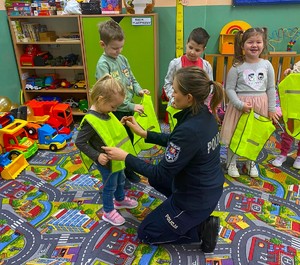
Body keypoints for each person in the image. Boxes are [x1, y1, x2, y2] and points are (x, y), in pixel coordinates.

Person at [102, 66, 225, 253]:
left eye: (175, 91)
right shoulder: (202, 115)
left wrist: (125, 157)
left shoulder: (189, 128)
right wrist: (145, 134)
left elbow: (161, 172)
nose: (171, 94)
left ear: (189, 98)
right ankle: (183, 214)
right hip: (204, 187)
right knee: (154, 179)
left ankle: (202, 227)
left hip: (195, 199)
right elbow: (176, 142)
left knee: (146, 233)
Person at [75, 74, 138, 226]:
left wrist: (120, 125)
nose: (114, 110)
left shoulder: (105, 112)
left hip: (116, 159)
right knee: (110, 186)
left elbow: (107, 133)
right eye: (113, 106)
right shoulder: (90, 120)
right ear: (101, 99)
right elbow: (79, 142)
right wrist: (97, 156)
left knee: (121, 180)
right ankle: (108, 211)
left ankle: (120, 200)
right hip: (105, 162)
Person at [95, 19, 150, 186]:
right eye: (114, 48)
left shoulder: (122, 59)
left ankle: (128, 167)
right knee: (118, 143)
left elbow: (131, 79)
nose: (118, 51)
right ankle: (121, 173)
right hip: (114, 111)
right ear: (102, 44)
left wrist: (139, 90)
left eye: (121, 47)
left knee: (130, 139)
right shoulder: (103, 65)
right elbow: (110, 95)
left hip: (127, 108)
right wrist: (131, 106)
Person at [220, 27, 280, 178]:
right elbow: (229, 89)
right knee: (236, 134)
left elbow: (271, 88)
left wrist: (272, 109)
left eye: (258, 42)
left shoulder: (267, 65)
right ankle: (231, 162)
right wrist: (240, 104)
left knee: (254, 136)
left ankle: (250, 161)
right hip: (240, 107)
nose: (254, 45)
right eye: (250, 42)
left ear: (263, 44)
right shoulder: (237, 66)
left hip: (261, 107)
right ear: (242, 46)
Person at [163, 27, 213, 106]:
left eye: (197, 50)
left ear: (203, 49)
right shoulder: (175, 64)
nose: (192, 52)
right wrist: (173, 99)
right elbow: (168, 84)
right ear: (186, 43)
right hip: (177, 106)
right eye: (190, 47)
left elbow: (209, 87)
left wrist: (203, 103)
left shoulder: (206, 67)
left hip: (197, 108)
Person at [272, 63, 300, 169]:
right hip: (292, 111)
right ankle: (283, 154)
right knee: (288, 133)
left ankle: (299, 156)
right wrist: (288, 75)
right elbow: (284, 87)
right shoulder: (296, 66)